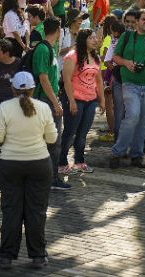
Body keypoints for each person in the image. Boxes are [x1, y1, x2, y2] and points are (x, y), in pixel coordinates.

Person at [0, 72, 57, 270]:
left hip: (10, 164)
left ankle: (6, 256)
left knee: (11, 210)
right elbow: (52, 138)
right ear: (33, 88)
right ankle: (38, 255)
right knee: (36, 211)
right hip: (39, 163)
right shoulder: (44, 107)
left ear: (13, 88)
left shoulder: (5, 107)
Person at [109, 8, 145, 169]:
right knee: (133, 116)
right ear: (137, 21)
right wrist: (127, 63)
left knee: (143, 122)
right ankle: (117, 151)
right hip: (130, 85)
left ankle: (137, 154)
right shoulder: (127, 36)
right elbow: (115, 57)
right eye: (144, 19)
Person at [30, 17, 70, 190]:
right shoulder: (43, 49)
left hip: (50, 99)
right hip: (46, 101)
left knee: (51, 141)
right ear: (58, 31)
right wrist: (56, 103)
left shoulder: (49, 48)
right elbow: (43, 79)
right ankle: (50, 178)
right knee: (53, 141)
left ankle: (46, 176)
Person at [59, 29, 105, 174]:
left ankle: (79, 161)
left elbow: (98, 80)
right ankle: (61, 162)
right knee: (70, 131)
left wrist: (101, 100)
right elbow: (66, 80)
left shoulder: (95, 57)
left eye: (94, 38)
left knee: (83, 132)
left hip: (90, 100)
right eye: (91, 38)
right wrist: (71, 101)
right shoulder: (72, 57)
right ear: (83, 40)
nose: (95, 40)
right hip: (75, 99)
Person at [102, 20, 126, 143]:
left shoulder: (114, 40)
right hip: (118, 78)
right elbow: (107, 60)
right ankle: (118, 140)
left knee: (119, 109)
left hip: (120, 78)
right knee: (119, 109)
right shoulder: (113, 41)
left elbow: (106, 61)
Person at [97, 15, 119, 143]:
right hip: (111, 72)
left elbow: (105, 57)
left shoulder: (107, 39)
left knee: (109, 104)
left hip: (106, 72)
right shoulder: (114, 39)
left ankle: (112, 131)